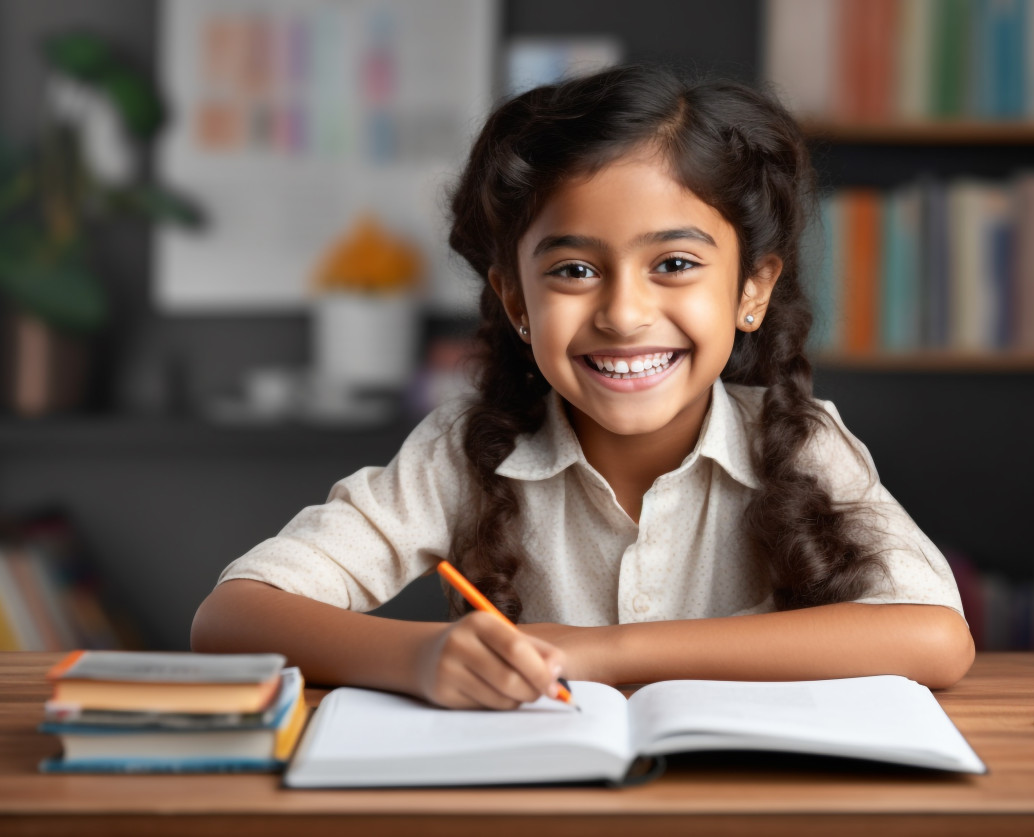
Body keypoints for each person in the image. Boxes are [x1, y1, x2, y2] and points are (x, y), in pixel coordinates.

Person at [191, 65, 974, 710]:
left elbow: (934, 636)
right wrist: (422, 655)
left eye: (674, 264)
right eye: (573, 270)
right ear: (515, 301)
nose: (625, 314)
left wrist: (609, 650)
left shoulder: (798, 440)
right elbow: (231, 616)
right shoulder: (464, 452)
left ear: (752, 289)